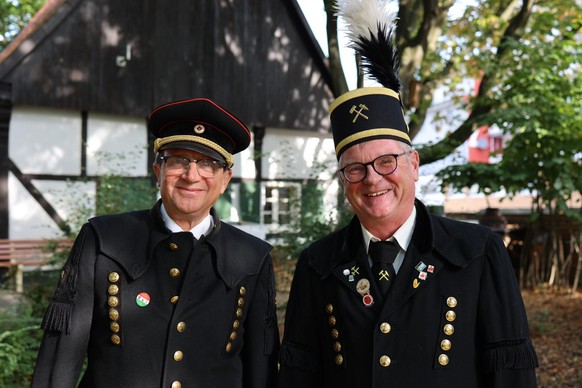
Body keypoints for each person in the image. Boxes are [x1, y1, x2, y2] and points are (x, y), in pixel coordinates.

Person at [277, 1, 538, 387]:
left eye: (386, 161)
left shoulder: (478, 253)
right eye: (355, 168)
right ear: (344, 179)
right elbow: (298, 378)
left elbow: (510, 374)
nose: (372, 179)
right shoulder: (318, 265)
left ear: (413, 164)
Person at [32, 98, 280, 388]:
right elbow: (60, 359)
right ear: (157, 170)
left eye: (208, 164)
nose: (191, 175)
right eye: (178, 161)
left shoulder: (253, 257)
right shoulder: (103, 239)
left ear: (225, 179)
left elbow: (261, 372)